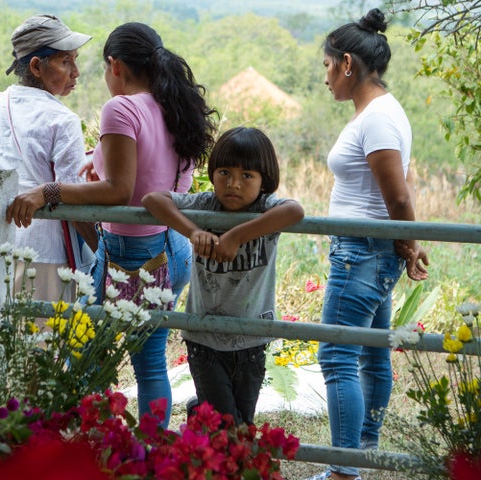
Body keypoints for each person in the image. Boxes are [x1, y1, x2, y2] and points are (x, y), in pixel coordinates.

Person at [6, 22, 217, 426]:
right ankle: (148, 454)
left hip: (133, 255)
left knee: (85, 350)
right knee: (145, 358)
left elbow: (120, 190)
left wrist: (47, 191)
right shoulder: (173, 104)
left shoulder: (121, 107)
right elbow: (150, 169)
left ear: (115, 65)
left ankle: (99, 443)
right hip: (170, 247)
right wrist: (95, 156)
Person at [307, 8, 429, 480]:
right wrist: (404, 243)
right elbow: (402, 187)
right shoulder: (382, 111)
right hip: (370, 250)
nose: (325, 78)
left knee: (337, 353)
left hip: (362, 252)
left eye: (326, 66)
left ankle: (343, 469)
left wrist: (408, 242)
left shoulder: (377, 118)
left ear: (347, 64)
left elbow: (397, 194)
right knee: (373, 352)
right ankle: (363, 450)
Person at [142, 127, 304, 425]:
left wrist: (237, 236)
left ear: (264, 180)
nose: (233, 184)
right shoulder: (205, 205)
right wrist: (193, 231)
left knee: (243, 422)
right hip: (204, 338)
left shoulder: (264, 208)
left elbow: (295, 211)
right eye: (224, 172)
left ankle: (197, 415)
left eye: (247, 176)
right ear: (212, 173)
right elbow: (153, 199)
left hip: (251, 338)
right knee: (228, 428)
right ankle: (202, 417)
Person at [0, 14, 95, 304]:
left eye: (75, 60)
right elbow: (73, 197)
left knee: (3, 340)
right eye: (66, 62)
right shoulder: (63, 120)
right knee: (45, 343)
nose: (75, 72)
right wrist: (103, 251)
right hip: (47, 255)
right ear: (37, 66)